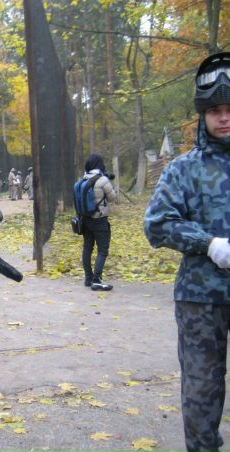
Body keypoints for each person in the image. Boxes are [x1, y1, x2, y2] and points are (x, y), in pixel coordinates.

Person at [144, 51, 230, 452]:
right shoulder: (184, 169)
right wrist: (208, 244)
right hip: (200, 298)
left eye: (229, 109)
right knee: (201, 392)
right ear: (202, 114)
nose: (224, 117)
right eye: (215, 110)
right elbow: (157, 223)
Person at [80, 153, 117, 291]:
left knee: (87, 248)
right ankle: (97, 280)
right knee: (102, 249)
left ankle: (88, 278)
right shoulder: (102, 180)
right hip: (99, 219)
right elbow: (113, 198)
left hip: (85, 219)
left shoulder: (83, 178)